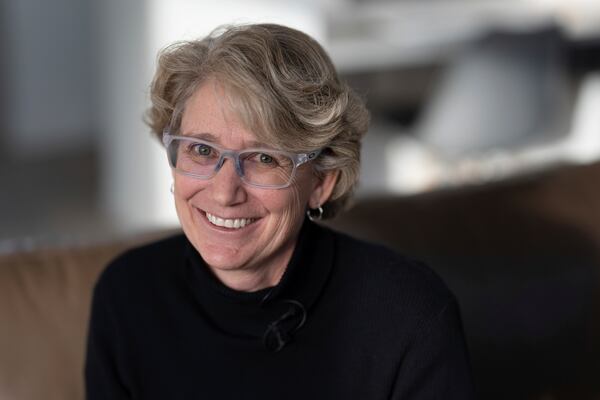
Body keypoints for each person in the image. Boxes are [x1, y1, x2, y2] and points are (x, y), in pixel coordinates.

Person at [85, 23, 474, 399]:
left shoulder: (410, 317)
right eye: (201, 150)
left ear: (322, 182)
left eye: (264, 158)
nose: (224, 193)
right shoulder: (127, 296)